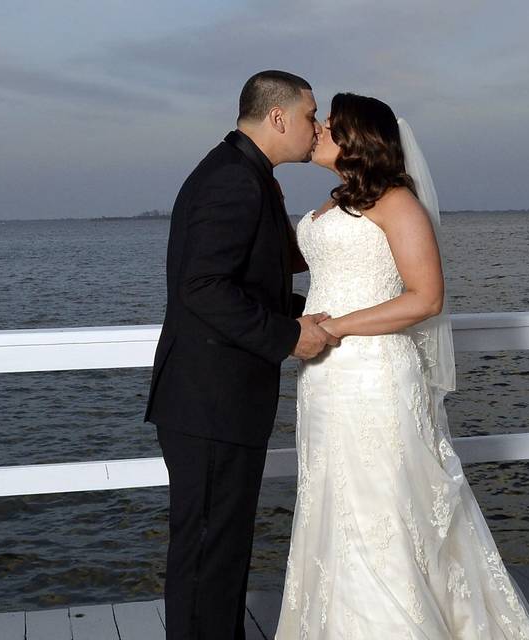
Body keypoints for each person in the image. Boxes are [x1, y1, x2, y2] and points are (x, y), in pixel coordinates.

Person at [275, 93, 529, 639]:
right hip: (326, 380)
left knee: (381, 505)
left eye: (332, 123)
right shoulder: (332, 205)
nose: (321, 128)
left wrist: (335, 327)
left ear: (358, 139)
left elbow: (425, 298)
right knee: (331, 502)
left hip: (375, 373)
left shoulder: (397, 201)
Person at [145, 70, 339, 640]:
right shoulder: (232, 180)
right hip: (210, 403)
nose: (317, 126)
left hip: (217, 401)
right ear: (277, 117)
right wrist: (288, 336)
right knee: (208, 555)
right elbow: (201, 288)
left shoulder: (243, 173)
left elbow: (256, 278)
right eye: (310, 115)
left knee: (222, 552)